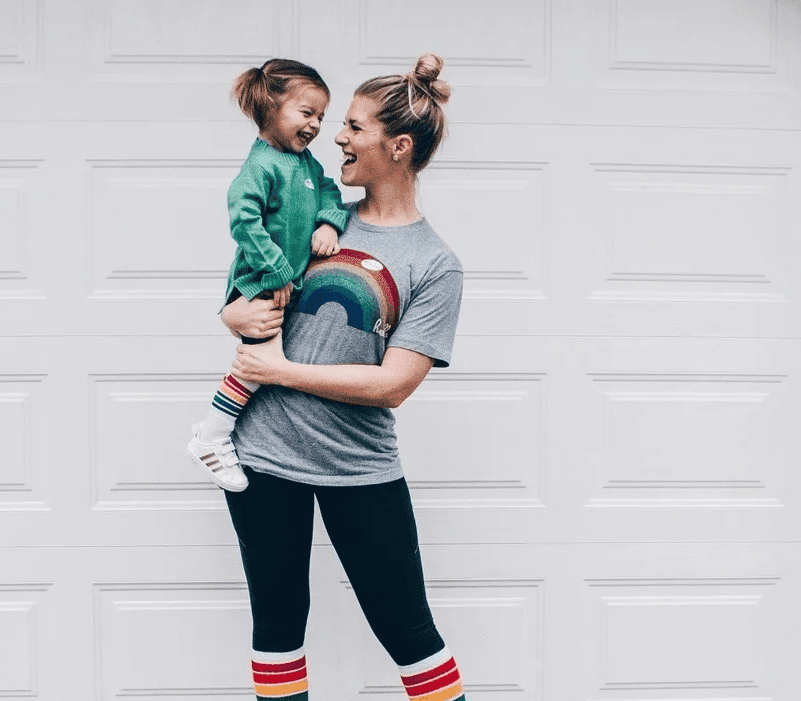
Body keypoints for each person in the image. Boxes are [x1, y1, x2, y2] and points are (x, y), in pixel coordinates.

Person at [221, 54, 468, 701]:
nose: (336, 137)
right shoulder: (316, 220)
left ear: (398, 145)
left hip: (360, 467)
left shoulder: (434, 264)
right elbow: (248, 289)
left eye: (354, 127)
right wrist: (232, 312)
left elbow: (392, 384)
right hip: (264, 456)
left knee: (410, 635)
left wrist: (280, 369)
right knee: (277, 631)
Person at [185, 59, 349, 492]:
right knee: (258, 368)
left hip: (283, 284)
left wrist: (330, 221)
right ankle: (212, 437)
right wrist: (276, 271)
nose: (315, 125)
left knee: (263, 366)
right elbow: (244, 221)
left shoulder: (306, 163)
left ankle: (215, 432)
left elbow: (331, 190)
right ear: (270, 109)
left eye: (321, 116)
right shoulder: (261, 166)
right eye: (306, 113)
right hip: (258, 283)